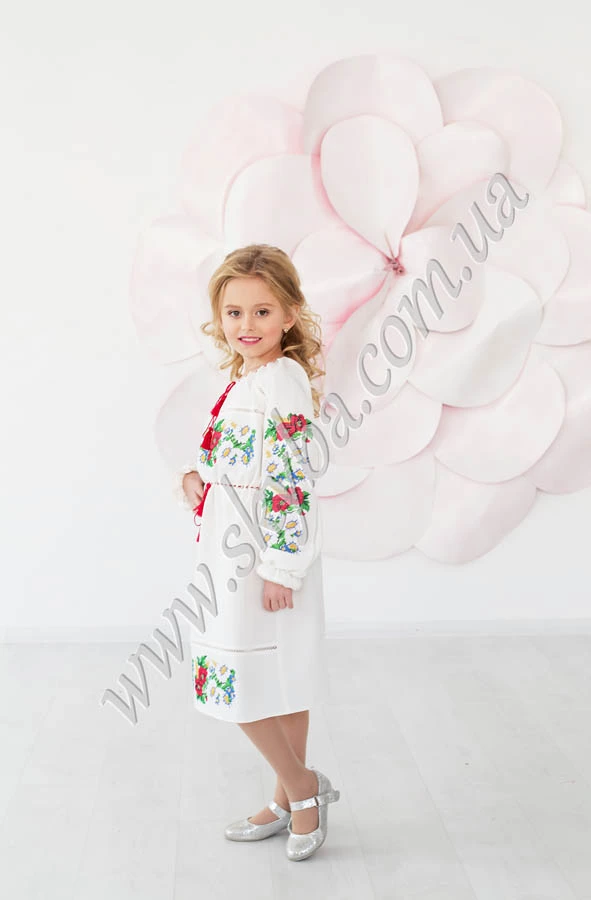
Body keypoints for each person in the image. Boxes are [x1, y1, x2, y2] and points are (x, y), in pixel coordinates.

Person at [172, 244, 340, 861]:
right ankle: (287, 798)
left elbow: (293, 477)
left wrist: (282, 568)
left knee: (245, 685)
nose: (247, 325)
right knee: (280, 681)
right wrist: (198, 479)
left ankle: (304, 788)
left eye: (262, 312)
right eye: (234, 312)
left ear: (290, 315)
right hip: (233, 554)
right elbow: (236, 463)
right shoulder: (246, 380)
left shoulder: (284, 382)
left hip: (265, 560)